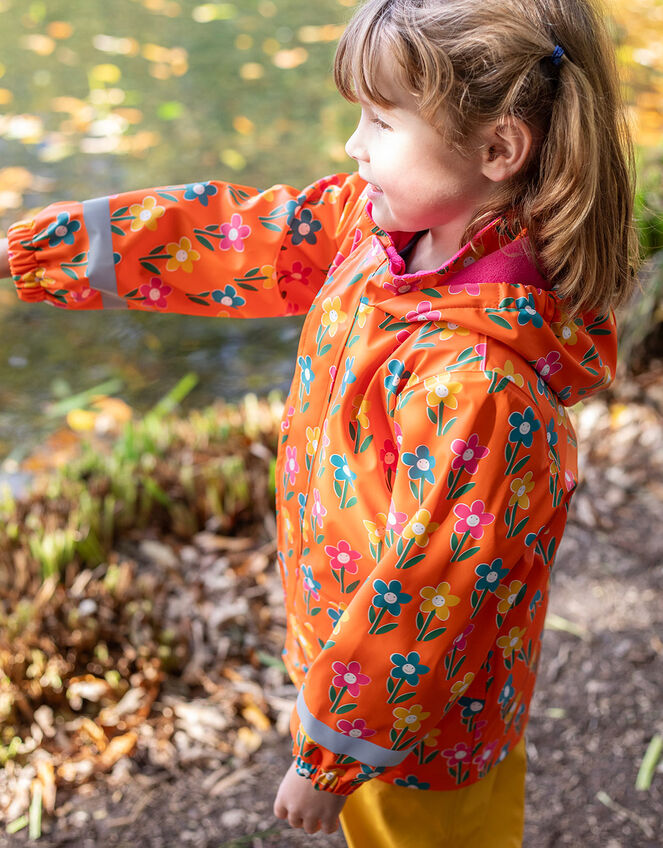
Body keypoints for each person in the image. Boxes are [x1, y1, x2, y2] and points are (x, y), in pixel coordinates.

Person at [0, 0, 641, 844]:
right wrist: (39, 252)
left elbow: (432, 592)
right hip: (360, 676)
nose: (352, 146)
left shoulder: (479, 388)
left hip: (417, 734)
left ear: (497, 149)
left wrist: (332, 751)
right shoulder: (376, 233)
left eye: (380, 120)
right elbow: (235, 235)